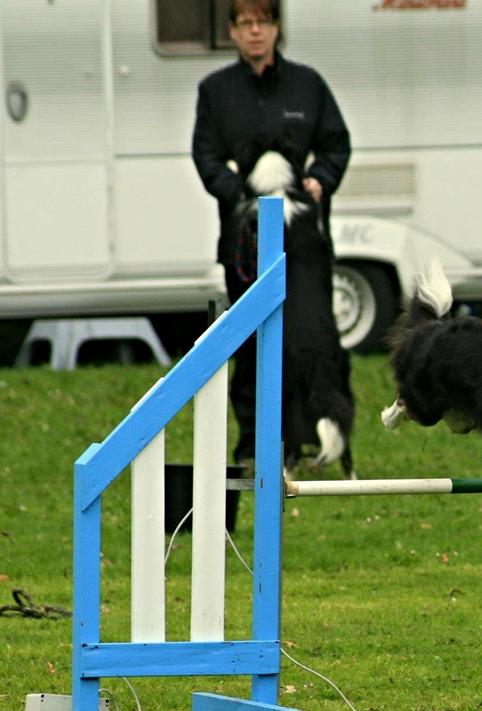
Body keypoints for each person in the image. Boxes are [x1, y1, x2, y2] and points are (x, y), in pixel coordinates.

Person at [192, 0, 351, 465]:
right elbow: (205, 157)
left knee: (307, 340)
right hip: (244, 248)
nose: (256, 31)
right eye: (246, 23)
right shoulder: (215, 92)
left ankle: (303, 440)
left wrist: (321, 178)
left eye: (264, 22)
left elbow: (336, 144)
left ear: (277, 29)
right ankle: (254, 444)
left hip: (304, 248)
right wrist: (240, 198)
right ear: (233, 32)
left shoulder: (308, 85)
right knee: (249, 344)